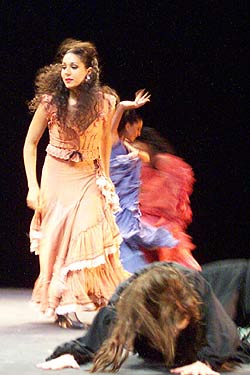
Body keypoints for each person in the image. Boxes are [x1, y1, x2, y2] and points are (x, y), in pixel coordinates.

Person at [23, 38, 129, 328]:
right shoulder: (50, 102)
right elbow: (30, 144)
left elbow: (106, 139)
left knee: (85, 230)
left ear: (88, 71)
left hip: (87, 174)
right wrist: (33, 186)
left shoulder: (105, 102)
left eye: (74, 67)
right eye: (64, 66)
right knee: (57, 239)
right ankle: (61, 305)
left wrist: (105, 176)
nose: (67, 72)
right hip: (57, 174)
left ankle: (83, 298)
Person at [36, 262, 250, 374]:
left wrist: (206, 361)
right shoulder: (126, 302)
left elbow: (221, 329)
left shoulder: (193, 287)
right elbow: (101, 329)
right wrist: (73, 354)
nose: (180, 327)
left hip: (236, 285)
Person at [110, 93, 178, 272]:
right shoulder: (113, 144)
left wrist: (134, 152)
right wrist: (123, 107)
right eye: (137, 128)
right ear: (127, 125)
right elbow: (111, 130)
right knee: (123, 254)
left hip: (127, 208)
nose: (139, 133)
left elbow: (146, 157)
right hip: (113, 207)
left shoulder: (127, 147)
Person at [135, 127, 201, 271]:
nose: (133, 152)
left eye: (136, 147)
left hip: (162, 228)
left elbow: (174, 208)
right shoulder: (131, 170)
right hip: (138, 228)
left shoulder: (170, 166)